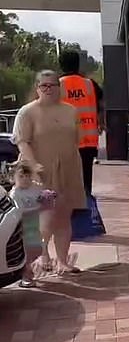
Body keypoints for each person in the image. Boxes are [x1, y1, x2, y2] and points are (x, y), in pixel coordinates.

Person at [12, 70, 86, 274]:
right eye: (43, 85)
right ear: (37, 88)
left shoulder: (70, 111)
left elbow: (75, 140)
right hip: (38, 173)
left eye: (52, 85)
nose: (48, 89)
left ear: (59, 88)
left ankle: (62, 260)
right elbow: (22, 141)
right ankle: (40, 257)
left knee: (63, 217)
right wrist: (33, 166)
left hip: (68, 169)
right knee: (44, 219)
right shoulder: (27, 112)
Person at [58, 48, 103, 199]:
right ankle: (86, 200)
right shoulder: (90, 84)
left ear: (61, 65)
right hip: (88, 140)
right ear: (78, 65)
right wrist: (101, 123)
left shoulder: (56, 86)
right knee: (86, 175)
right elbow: (100, 105)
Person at [9, 161, 55, 287]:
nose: (25, 180)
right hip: (22, 228)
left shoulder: (35, 188)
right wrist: (38, 207)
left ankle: (28, 268)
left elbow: (43, 197)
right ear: (13, 178)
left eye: (27, 176)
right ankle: (26, 274)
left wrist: (48, 197)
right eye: (21, 177)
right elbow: (18, 211)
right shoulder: (15, 193)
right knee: (26, 251)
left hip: (35, 225)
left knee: (38, 248)